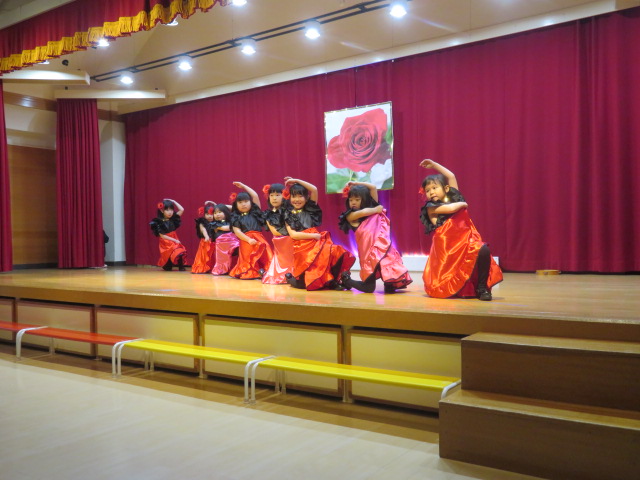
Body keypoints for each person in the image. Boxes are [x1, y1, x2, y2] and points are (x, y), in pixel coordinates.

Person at [419, 159, 502, 300]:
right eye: (427, 190)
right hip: (447, 249)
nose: (431, 192)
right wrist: (462, 204)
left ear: (446, 189)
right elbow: (451, 208)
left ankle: (481, 288)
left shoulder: (454, 197)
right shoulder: (431, 207)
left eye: (434, 188)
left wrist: (434, 165)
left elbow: (451, 176)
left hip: (465, 241)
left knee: (483, 250)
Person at [338, 181, 412, 293]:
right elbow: (364, 212)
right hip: (368, 255)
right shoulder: (350, 215)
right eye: (351, 200)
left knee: (391, 282)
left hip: (382, 249)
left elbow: (373, 188)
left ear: (365, 199)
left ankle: (388, 283)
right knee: (369, 288)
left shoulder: (372, 209)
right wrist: (376, 209)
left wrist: (356, 183)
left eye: (357, 199)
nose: (353, 202)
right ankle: (347, 280)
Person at [283, 177, 355, 290]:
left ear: (306, 198)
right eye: (294, 196)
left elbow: (314, 189)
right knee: (303, 284)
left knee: (336, 251)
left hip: (317, 243)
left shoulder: (310, 208)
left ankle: (333, 281)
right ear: (290, 198)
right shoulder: (288, 214)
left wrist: (297, 181)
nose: (297, 199)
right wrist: (313, 236)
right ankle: (291, 279)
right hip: (302, 247)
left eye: (300, 196)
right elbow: (294, 235)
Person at [228, 182, 273, 279]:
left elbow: (255, 195)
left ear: (250, 202)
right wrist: (248, 240)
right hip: (246, 240)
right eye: (240, 202)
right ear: (236, 204)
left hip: (258, 238)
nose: (243, 204)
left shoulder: (255, 212)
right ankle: (251, 272)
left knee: (265, 254)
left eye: (246, 201)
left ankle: (265, 271)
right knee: (248, 257)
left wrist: (243, 186)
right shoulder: (236, 217)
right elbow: (237, 232)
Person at [262, 183, 295, 284]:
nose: (274, 198)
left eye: (277, 195)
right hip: (280, 242)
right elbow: (274, 231)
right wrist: (291, 233)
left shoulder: (290, 210)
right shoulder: (268, 214)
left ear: (284, 196)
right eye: (271, 195)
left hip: (292, 241)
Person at [149, 198, 188, 271]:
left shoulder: (173, 218)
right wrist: (174, 240)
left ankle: (181, 266)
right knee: (168, 266)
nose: (170, 212)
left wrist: (174, 201)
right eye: (167, 210)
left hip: (174, 238)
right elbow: (162, 235)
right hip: (165, 241)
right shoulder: (159, 222)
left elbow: (182, 209)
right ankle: (167, 264)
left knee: (179, 251)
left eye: (171, 210)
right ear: (162, 211)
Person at [210, 203, 240, 276]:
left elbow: (236, 209)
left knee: (239, 252)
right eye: (215, 213)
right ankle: (221, 270)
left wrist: (224, 206)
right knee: (222, 259)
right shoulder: (214, 223)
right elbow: (226, 228)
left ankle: (236, 268)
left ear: (225, 212)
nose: (217, 214)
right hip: (222, 244)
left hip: (233, 242)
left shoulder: (231, 220)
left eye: (220, 212)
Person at [191, 201, 217, 274]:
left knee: (213, 255)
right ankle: (202, 267)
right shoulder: (202, 222)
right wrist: (206, 236)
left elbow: (218, 208)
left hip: (214, 241)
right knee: (204, 255)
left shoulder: (216, 222)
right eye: (207, 214)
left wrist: (212, 203)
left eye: (211, 214)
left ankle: (211, 267)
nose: (209, 216)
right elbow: (203, 229)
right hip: (205, 241)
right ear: (204, 214)